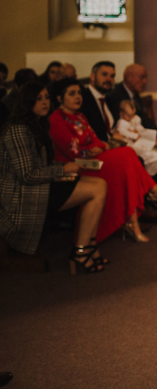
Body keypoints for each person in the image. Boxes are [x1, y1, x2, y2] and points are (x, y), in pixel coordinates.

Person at [48, 78, 157, 243]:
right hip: (77, 165)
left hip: (93, 159)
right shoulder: (57, 120)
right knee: (126, 155)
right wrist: (95, 149)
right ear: (59, 98)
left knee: (127, 161)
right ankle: (151, 193)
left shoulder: (79, 116)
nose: (78, 97)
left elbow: (96, 140)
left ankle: (134, 221)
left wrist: (99, 147)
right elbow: (74, 152)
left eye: (79, 93)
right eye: (72, 94)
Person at [0, 82, 108, 272]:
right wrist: (63, 170)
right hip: (22, 195)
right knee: (96, 189)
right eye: (38, 99)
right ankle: (82, 250)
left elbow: (43, 166)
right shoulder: (17, 129)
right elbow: (27, 175)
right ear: (27, 102)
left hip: (38, 185)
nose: (44, 102)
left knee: (100, 184)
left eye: (47, 98)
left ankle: (87, 247)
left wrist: (69, 167)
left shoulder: (37, 124)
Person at [107, 64, 157, 192]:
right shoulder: (116, 96)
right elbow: (124, 130)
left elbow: (145, 121)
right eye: (142, 77)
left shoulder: (133, 94)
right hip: (130, 141)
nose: (145, 81)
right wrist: (153, 141)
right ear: (129, 77)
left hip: (142, 135)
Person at [114, 100, 157, 177]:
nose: (131, 118)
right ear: (121, 114)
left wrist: (141, 133)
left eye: (133, 115)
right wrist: (135, 135)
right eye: (129, 116)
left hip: (139, 140)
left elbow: (140, 128)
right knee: (151, 155)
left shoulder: (135, 118)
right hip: (130, 144)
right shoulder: (121, 123)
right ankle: (146, 174)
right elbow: (123, 132)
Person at [80, 61, 121, 143]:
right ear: (93, 77)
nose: (109, 79)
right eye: (104, 74)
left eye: (112, 76)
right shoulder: (82, 99)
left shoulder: (110, 99)